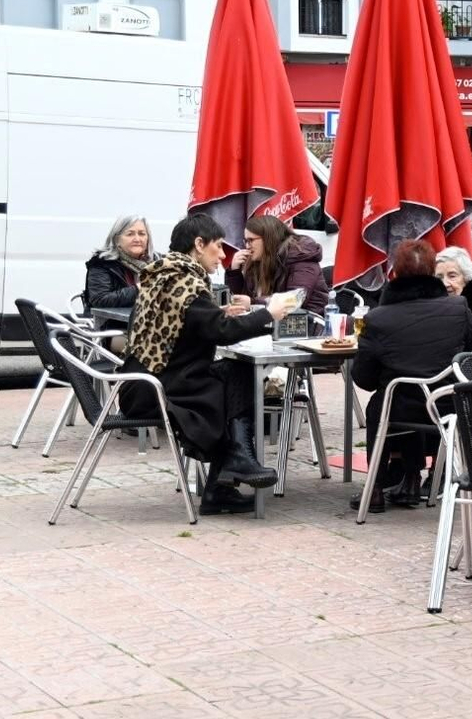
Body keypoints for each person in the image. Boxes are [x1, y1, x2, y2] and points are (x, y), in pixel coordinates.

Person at [117, 213, 292, 516]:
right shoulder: (184, 282)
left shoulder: (166, 273)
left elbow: (191, 323)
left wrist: (217, 313)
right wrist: (269, 314)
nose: (224, 255)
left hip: (144, 381)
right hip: (156, 390)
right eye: (219, 247)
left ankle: (227, 477)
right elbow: (221, 332)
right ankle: (231, 468)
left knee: (236, 372)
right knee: (234, 380)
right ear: (199, 245)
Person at [353, 240, 472, 513]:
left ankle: (375, 488)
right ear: (431, 273)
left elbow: (363, 378)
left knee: (385, 399)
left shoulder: (378, 317)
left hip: (401, 405)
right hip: (449, 404)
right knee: (406, 390)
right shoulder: (458, 308)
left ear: (396, 274)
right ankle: (412, 480)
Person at [226, 215, 329, 316]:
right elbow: (244, 301)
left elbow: (295, 300)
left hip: (310, 325)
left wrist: (253, 303)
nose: (247, 246)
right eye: (245, 241)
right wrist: (234, 272)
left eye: (251, 240)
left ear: (268, 238)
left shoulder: (301, 258)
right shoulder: (257, 260)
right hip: (275, 324)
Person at [84, 215, 157, 313]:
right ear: (116, 239)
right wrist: (139, 288)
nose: (137, 239)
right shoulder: (102, 263)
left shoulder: (158, 262)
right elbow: (100, 299)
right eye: (130, 234)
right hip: (114, 325)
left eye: (142, 234)